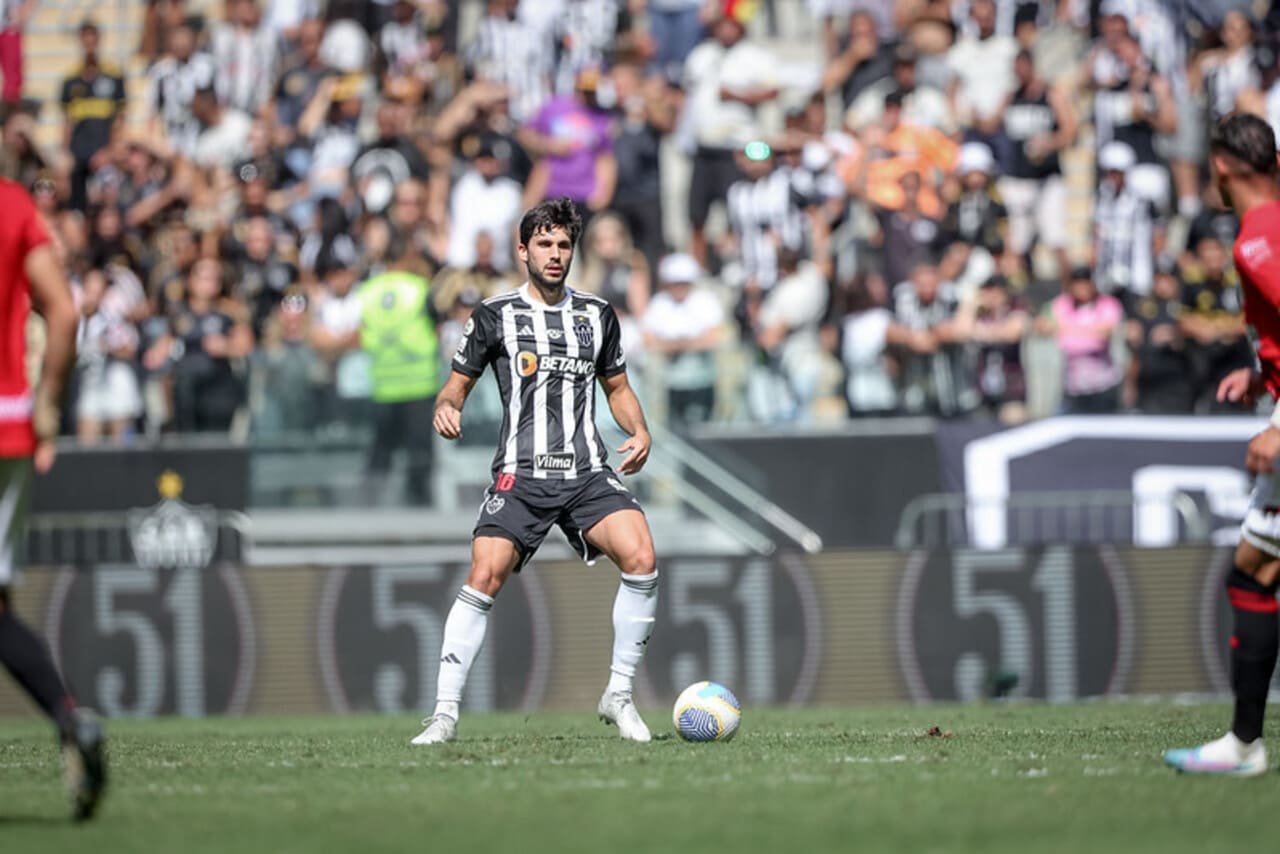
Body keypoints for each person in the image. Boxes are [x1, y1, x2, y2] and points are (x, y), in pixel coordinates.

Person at [413, 198, 658, 745]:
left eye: (564, 245)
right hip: (520, 474)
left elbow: (616, 388)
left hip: (587, 470)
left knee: (641, 557)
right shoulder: (494, 316)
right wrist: (446, 406)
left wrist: (639, 432)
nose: (555, 254)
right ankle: (444, 714)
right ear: (522, 251)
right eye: (544, 244)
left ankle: (618, 694)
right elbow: (456, 387)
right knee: (484, 574)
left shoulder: (597, 315)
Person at [1165, 114, 1280, 777]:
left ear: (1224, 166)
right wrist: (1261, 374)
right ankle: (1242, 743)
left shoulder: (1257, 239)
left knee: (1253, 572)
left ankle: (1243, 745)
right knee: (1257, 568)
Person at [0, 178, 106, 818]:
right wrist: (45, 405)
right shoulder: (12, 203)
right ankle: (70, 719)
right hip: (9, 422)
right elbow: (64, 311)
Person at [358, 234, 440, 505]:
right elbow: (437, 326)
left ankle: (368, 509)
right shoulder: (419, 287)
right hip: (419, 382)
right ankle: (419, 509)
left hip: (382, 384)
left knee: (380, 454)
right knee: (419, 456)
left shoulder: (368, 291)